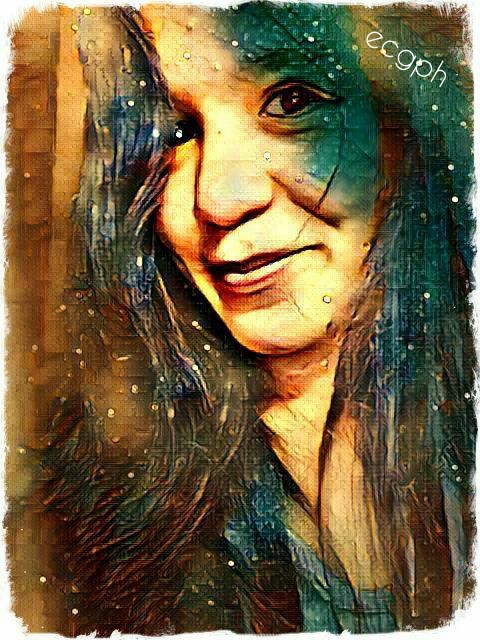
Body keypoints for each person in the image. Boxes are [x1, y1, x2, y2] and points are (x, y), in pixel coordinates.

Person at [41, 2, 476, 635]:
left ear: (404, 131)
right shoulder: (114, 512)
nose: (219, 197)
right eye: (177, 133)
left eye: (292, 102)